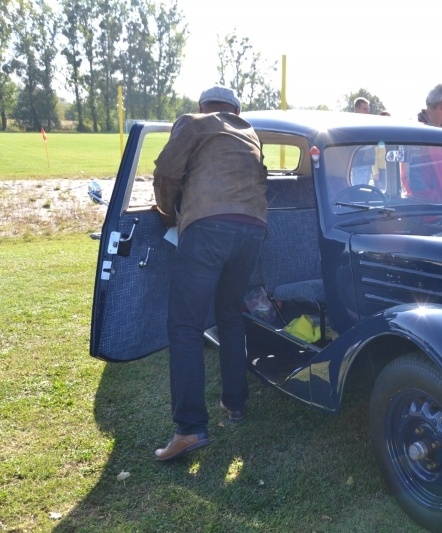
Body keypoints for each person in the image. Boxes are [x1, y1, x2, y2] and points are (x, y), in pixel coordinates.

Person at [152, 85, 268, 461]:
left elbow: (167, 173)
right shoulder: (249, 133)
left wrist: (170, 215)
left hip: (207, 227)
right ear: (237, 109)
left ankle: (188, 428)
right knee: (230, 316)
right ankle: (235, 404)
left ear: (203, 106)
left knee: (185, 326)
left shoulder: (193, 122)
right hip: (252, 228)